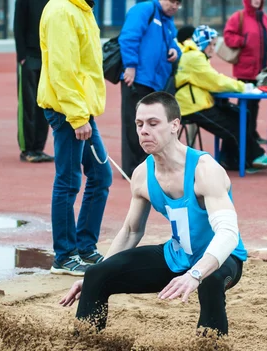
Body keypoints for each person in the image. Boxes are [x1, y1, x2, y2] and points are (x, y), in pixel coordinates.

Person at [59, 92, 246, 336]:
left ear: (175, 126)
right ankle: (85, 344)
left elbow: (229, 234)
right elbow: (131, 231)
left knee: (210, 281)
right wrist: (96, 277)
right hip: (177, 256)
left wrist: (195, 274)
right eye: (139, 124)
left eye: (153, 123)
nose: (144, 130)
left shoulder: (205, 170)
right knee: (95, 273)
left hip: (221, 258)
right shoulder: (141, 175)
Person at [37, 0, 112, 275]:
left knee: (101, 176)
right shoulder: (61, 10)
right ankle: (65, 255)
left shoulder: (82, 8)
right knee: (68, 182)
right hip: (67, 110)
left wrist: (84, 112)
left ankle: (84, 247)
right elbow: (62, 68)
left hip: (80, 109)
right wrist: (78, 116)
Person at [175, 25, 267, 172]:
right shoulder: (194, 57)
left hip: (198, 102)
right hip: (192, 107)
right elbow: (215, 81)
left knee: (241, 115)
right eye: (212, 44)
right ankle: (253, 156)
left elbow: (211, 79)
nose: (213, 49)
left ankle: (231, 159)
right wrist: (243, 87)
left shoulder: (195, 55)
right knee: (233, 127)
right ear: (204, 43)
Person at [118, 0, 181, 178]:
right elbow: (129, 37)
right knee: (135, 124)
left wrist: (176, 51)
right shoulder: (144, 9)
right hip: (139, 79)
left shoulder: (168, 20)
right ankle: (132, 170)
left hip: (157, 81)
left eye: (178, 3)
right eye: (172, 1)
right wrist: (130, 66)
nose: (175, 6)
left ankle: (148, 168)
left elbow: (174, 43)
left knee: (153, 125)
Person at [223, 0, 267, 144]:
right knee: (246, 105)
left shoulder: (264, 18)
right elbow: (228, 36)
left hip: (261, 70)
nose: (256, 1)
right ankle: (244, 135)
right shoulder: (239, 17)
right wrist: (244, 40)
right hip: (245, 70)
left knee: (255, 104)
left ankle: (251, 134)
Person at [14, 0, 54, 163]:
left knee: (45, 103)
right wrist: (22, 56)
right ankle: (27, 149)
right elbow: (19, 25)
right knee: (28, 104)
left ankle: (39, 148)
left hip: (48, 58)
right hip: (29, 58)